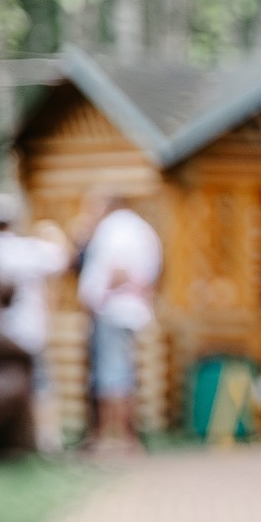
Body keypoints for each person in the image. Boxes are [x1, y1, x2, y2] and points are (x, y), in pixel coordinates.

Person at [75, 193, 162, 450]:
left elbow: (110, 271)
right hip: (133, 311)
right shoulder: (142, 230)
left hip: (111, 310)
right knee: (123, 371)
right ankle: (122, 437)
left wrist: (95, 298)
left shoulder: (113, 230)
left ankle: (115, 438)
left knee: (111, 375)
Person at [0, 205, 71, 452]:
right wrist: (50, 232)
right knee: (42, 386)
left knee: (1, 385)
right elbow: (61, 258)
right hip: (32, 330)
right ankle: (48, 439)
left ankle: (6, 440)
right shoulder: (30, 250)